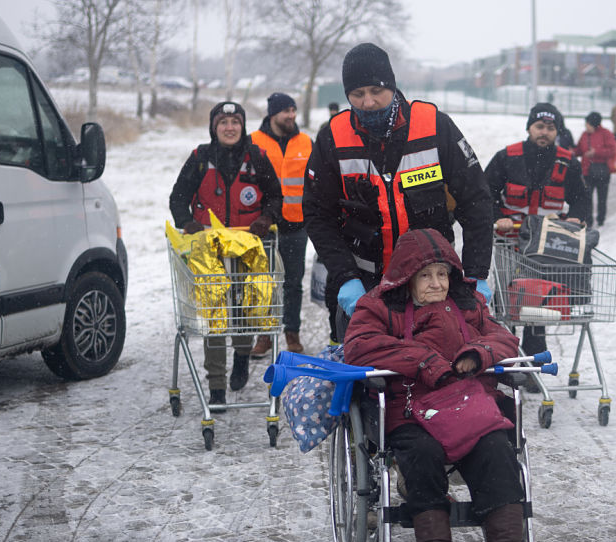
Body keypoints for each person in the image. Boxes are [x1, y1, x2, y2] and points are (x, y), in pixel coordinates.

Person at [343, 228, 544, 542]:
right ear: (406, 278)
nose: (436, 284)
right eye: (426, 276)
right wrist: (421, 361)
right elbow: (360, 345)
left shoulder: (467, 304)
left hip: (467, 406)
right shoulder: (379, 306)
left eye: (442, 274)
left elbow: (504, 339)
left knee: (497, 452)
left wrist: (478, 353)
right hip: (409, 410)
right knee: (421, 457)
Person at [303, 43, 494, 344]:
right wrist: (345, 277)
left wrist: (476, 273)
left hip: (432, 284)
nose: (367, 102)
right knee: (367, 380)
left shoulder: (434, 126)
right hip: (365, 285)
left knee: (437, 370)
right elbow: (317, 214)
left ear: (392, 86)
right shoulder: (332, 137)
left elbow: (477, 201)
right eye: (357, 94)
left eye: (375, 91)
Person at [169, 101, 282, 409]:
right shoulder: (200, 158)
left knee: (245, 310)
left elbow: (275, 197)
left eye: (235, 121)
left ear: (243, 126)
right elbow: (178, 198)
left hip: (248, 248)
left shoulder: (257, 157)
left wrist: (265, 219)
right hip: (210, 252)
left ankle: (242, 357)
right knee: (216, 316)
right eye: (223, 122)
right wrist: (189, 224)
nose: (230, 127)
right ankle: (216, 387)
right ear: (214, 127)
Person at [484, 103, 590, 380]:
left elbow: (581, 200)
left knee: (538, 306)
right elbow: (484, 193)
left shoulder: (568, 162)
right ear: (529, 127)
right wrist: (497, 217)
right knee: (505, 307)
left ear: (557, 131)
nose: (544, 132)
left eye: (551, 128)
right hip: (509, 244)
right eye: (539, 126)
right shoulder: (506, 157)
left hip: (546, 249)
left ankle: (531, 368)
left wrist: (577, 218)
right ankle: (504, 361)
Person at [249, 92, 312, 358]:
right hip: (263, 225)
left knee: (293, 282)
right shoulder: (252, 142)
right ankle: (263, 335)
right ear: (272, 113)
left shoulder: (306, 142)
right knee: (262, 282)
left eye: (293, 110)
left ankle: (292, 332)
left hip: (297, 224)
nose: (291, 116)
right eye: (286, 111)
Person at [575, 111, 616, 227]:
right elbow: (579, 149)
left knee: (602, 197)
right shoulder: (584, 134)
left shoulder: (606, 134)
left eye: (587, 124)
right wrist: (572, 152)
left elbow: (613, 150)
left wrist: (596, 152)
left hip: (602, 171)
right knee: (587, 197)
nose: (586, 126)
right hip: (587, 171)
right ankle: (588, 220)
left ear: (593, 124)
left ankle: (601, 219)